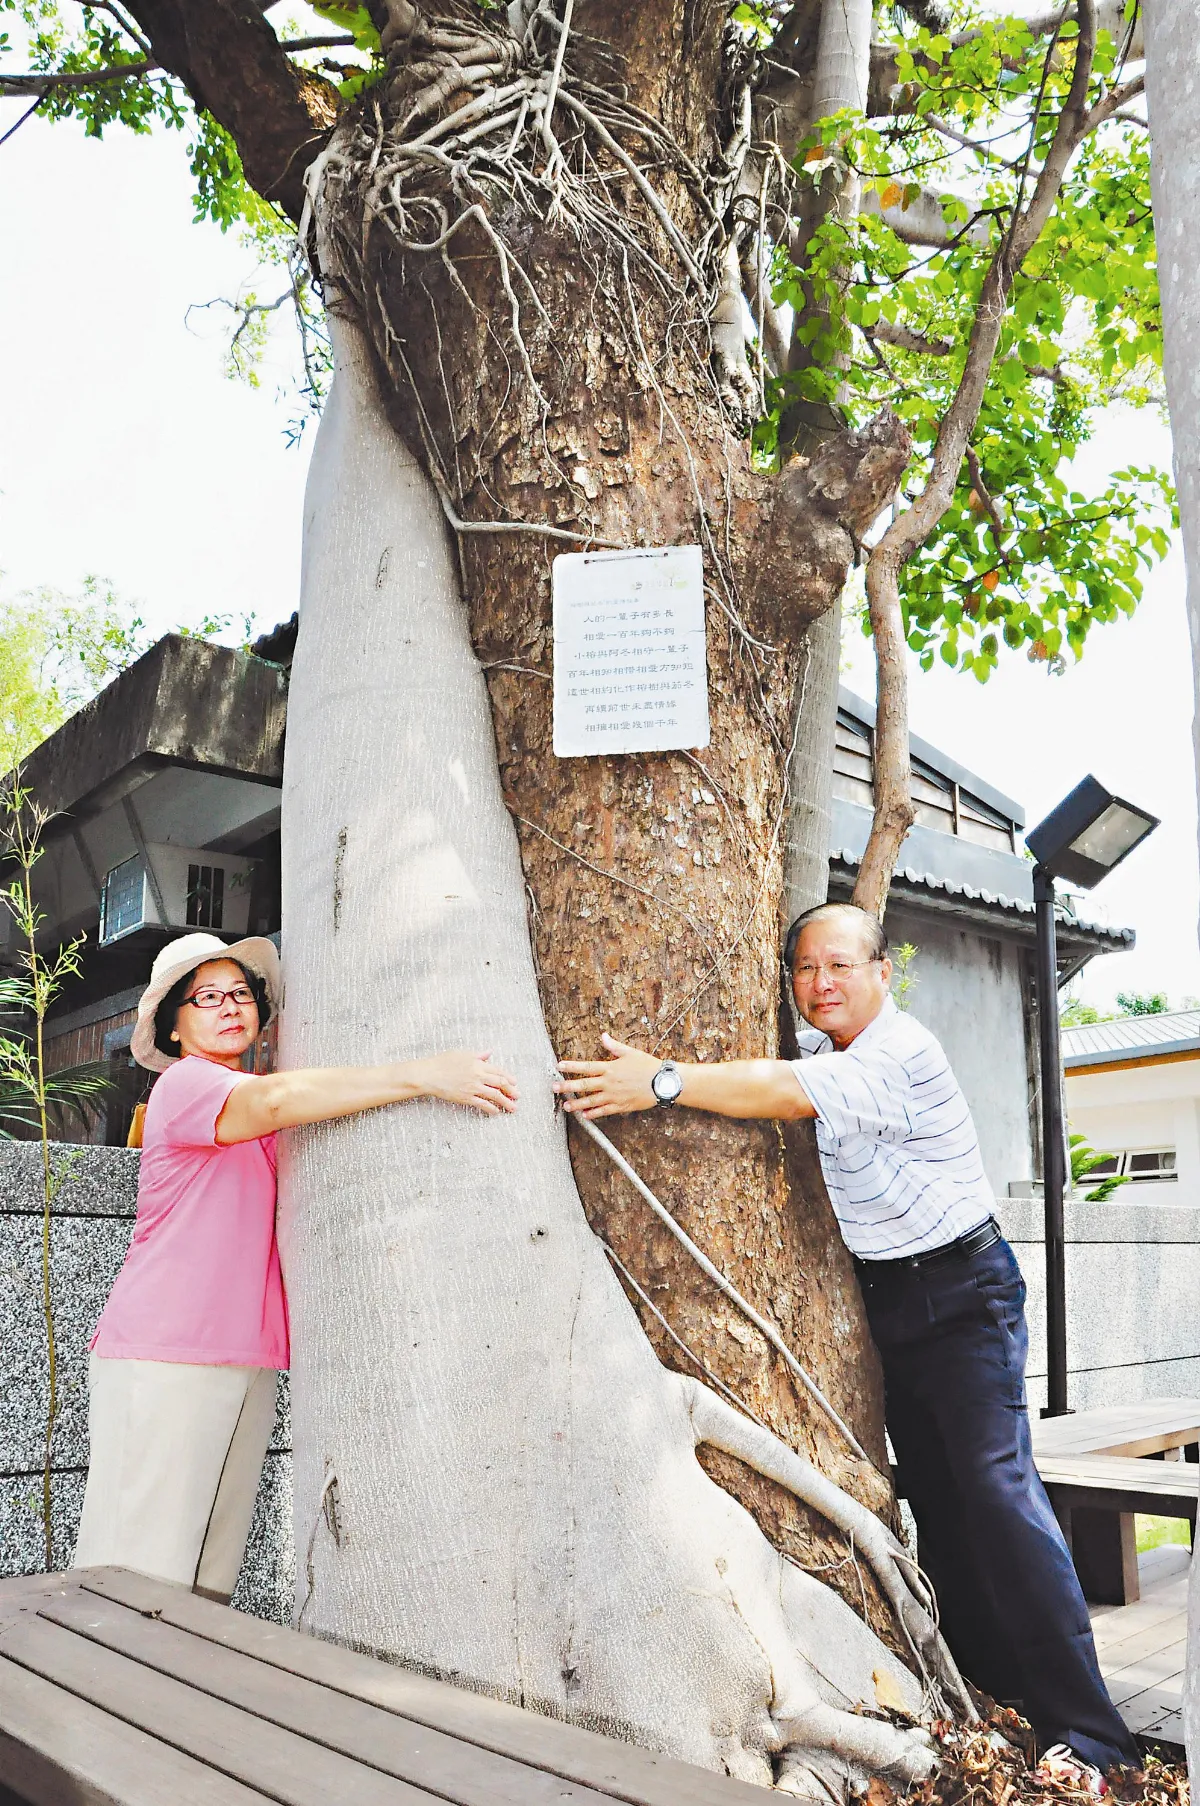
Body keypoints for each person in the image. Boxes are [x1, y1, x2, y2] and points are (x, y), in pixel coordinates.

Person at [555, 900, 1137, 1785]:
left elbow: (785, 1096)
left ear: (880, 973)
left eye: (840, 966)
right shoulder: (831, 1051)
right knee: (938, 1508)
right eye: (804, 970)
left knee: (997, 1493)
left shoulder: (901, 1055)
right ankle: (994, 1693)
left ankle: (1093, 1734)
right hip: (894, 1301)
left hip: (965, 1293)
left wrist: (661, 1081)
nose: (820, 984)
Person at [73, 930, 518, 1602]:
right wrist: (423, 1074)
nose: (230, 1006)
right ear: (172, 1026)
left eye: (241, 994)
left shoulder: (250, 1098)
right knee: (133, 1580)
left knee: (206, 1583)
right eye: (206, 997)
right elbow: (278, 1101)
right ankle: (88, 1705)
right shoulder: (188, 1084)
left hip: (240, 1358)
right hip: (165, 1355)